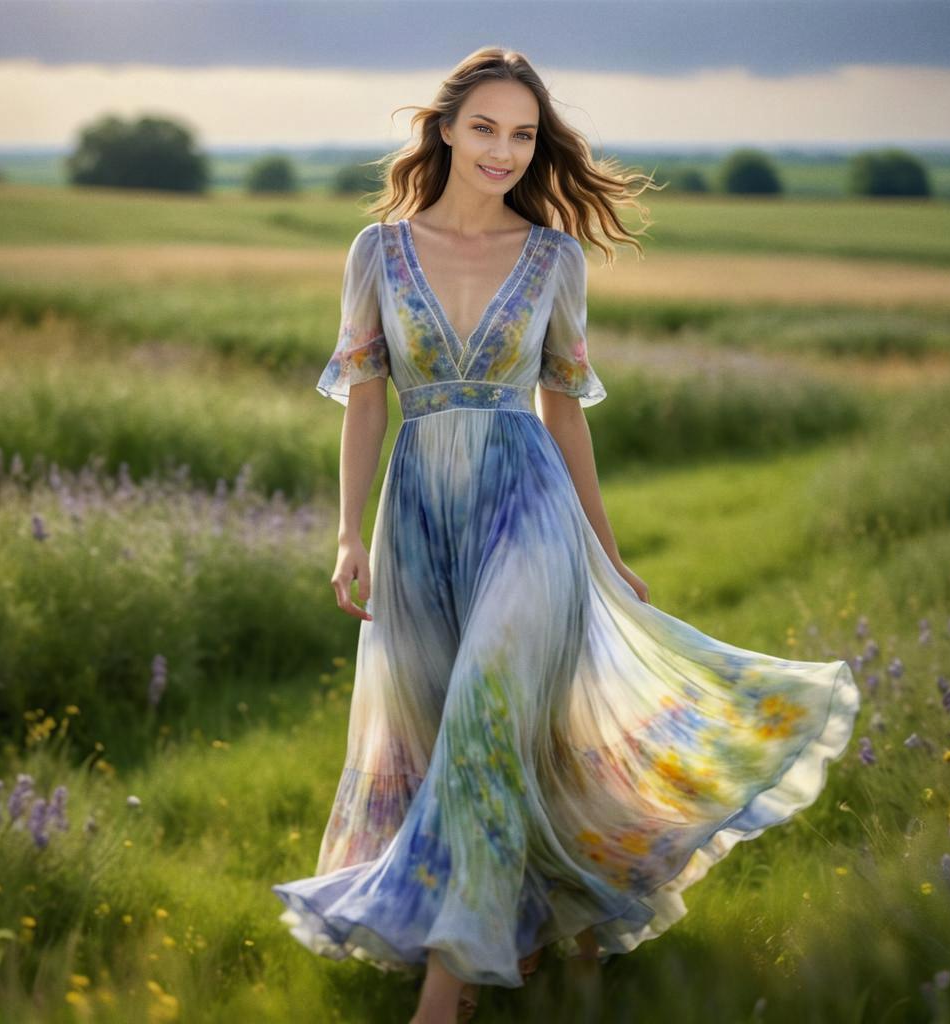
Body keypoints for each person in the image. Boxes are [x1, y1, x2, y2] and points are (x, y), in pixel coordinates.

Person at [272, 47, 861, 1024]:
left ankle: (443, 992)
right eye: (486, 128)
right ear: (446, 128)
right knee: (455, 731)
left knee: (481, 720)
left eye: (523, 134)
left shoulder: (554, 257)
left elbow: (565, 410)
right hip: (416, 518)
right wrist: (347, 534)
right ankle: (553, 919)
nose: (504, 151)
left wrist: (605, 546)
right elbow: (365, 405)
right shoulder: (376, 252)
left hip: (529, 514)